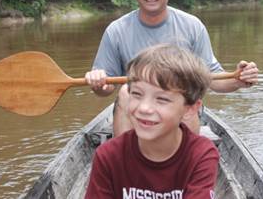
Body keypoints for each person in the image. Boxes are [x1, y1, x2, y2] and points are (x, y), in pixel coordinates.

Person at [85, 0, 259, 135]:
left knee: (186, 93)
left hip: (178, 108)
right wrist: (99, 83)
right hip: (137, 107)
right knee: (124, 91)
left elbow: (212, 79)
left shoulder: (192, 26)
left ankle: (187, 158)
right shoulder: (116, 30)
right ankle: (124, 158)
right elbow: (106, 87)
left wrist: (237, 80)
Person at [84, 44, 219, 199]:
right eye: (136, 94)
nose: (144, 108)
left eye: (161, 99)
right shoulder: (108, 155)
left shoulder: (201, 155)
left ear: (189, 109)